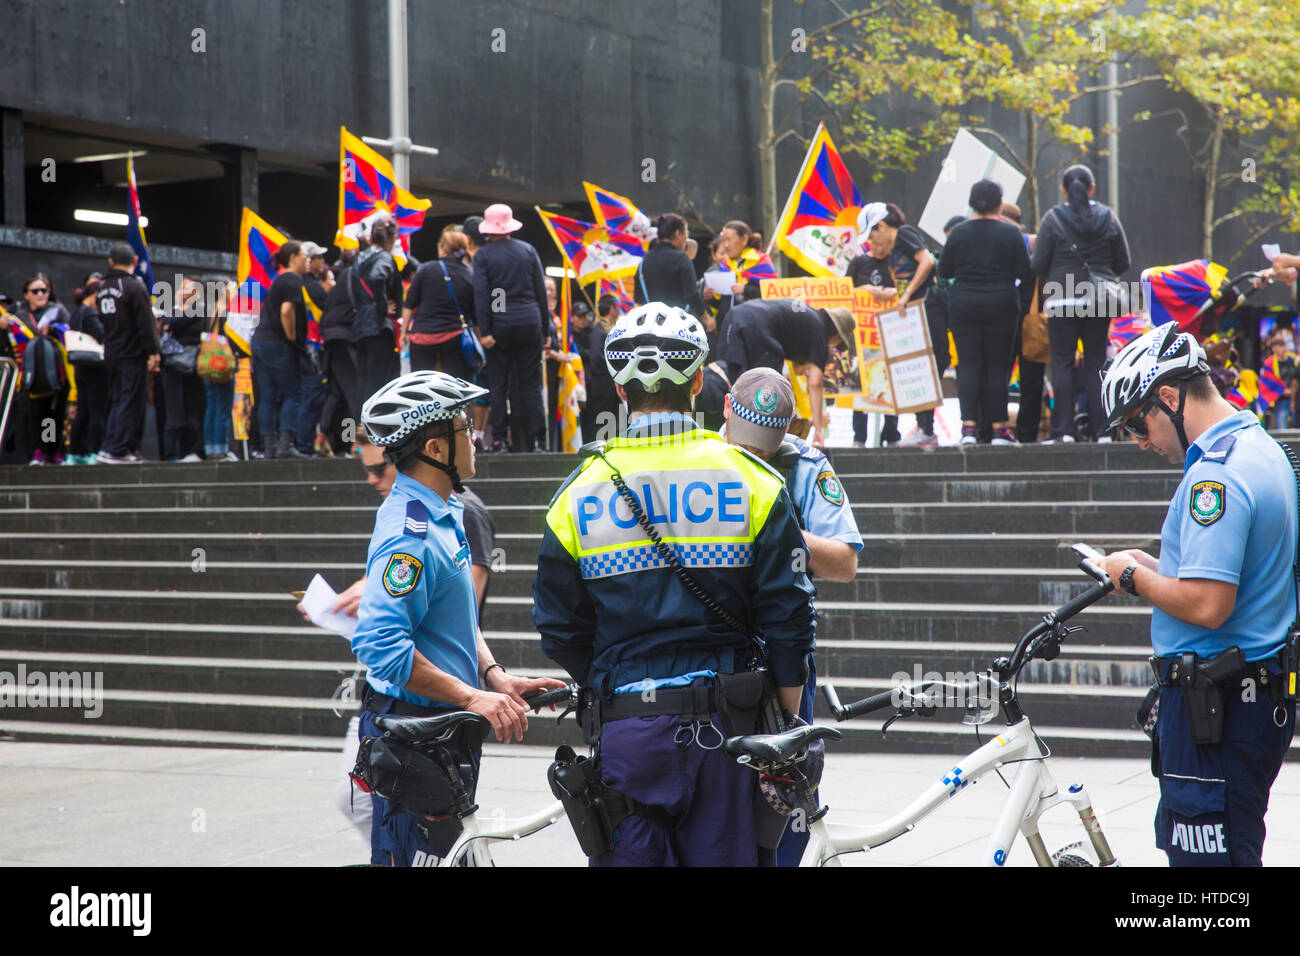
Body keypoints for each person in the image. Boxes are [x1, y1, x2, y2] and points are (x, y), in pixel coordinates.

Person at [532, 302, 817, 867]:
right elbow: (790, 616)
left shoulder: (576, 494)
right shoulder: (752, 478)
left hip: (628, 733)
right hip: (731, 735)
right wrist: (788, 721)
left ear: (619, 388)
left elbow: (560, 627)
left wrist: (612, 681)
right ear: (695, 382)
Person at [1097, 322, 1297, 866]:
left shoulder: (1217, 478)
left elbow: (1210, 605)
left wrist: (1132, 578)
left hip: (1220, 709)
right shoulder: (1259, 448)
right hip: (1251, 698)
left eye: (1139, 424)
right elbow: (1235, 576)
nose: (1141, 441)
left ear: (1170, 396)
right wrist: (1156, 567)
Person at [352, 370, 563, 866]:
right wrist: (472, 696)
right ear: (437, 448)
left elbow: (458, 619)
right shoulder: (410, 532)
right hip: (414, 735)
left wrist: (494, 678)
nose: (475, 435)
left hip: (445, 729)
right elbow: (380, 643)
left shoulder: (445, 512)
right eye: (465, 426)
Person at [720, 367, 861, 865]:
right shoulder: (698, 461)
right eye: (750, 440)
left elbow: (845, 562)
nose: (759, 451)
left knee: (785, 798)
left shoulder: (805, 464)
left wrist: (777, 528)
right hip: (712, 648)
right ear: (724, 411)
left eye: (769, 441)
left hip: (783, 649)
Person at [1033, 164, 1131, 442]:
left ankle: (1064, 431)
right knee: (1096, 361)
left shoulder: (1052, 219)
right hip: (1098, 299)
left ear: (1063, 190)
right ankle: (1103, 431)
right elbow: (1123, 261)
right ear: (1092, 189)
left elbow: (1038, 263)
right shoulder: (1108, 217)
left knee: (1062, 363)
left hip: (1061, 297)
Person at [937, 179, 1036, 445]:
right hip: (1001, 304)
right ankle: (999, 429)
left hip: (963, 304)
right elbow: (1024, 272)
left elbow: (944, 270)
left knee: (968, 366)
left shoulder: (958, 232)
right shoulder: (1010, 233)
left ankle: (969, 429)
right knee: (997, 367)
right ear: (998, 203)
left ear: (972, 202)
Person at [855, 202, 937, 447]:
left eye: (872, 235)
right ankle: (924, 428)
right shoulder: (892, 251)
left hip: (925, 308)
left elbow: (927, 261)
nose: (872, 242)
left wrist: (905, 296)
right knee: (917, 368)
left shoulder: (904, 233)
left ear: (881, 225)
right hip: (911, 314)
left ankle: (926, 429)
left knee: (929, 366)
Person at [722, 298, 855, 448]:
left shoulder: (808, 318)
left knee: (730, 382)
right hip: (760, 329)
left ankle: (726, 437)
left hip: (735, 316)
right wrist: (818, 430)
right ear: (837, 336)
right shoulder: (821, 332)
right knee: (768, 395)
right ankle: (755, 446)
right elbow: (815, 385)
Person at [471, 203, 549, 453]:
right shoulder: (528, 250)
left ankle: (500, 440)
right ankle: (538, 440)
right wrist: (546, 331)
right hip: (530, 322)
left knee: (498, 384)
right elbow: (541, 292)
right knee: (531, 385)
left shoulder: (483, 256)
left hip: (500, 326)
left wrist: (486, 331)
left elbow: (482, 296)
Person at [97, 244, 161, 464]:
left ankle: (112, 446)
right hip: (132, 354)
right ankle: (118, 449)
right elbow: (145, 322)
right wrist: (153, 350)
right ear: (135, 261)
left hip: (112, 352)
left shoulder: (102, 287)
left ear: (110, 261)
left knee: (116, 400)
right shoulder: (134, 286)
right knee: (129, 401)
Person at [251, 241, 309, 460]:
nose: (308, 259)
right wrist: (293, 339)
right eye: (305, 255)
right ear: (293, 257)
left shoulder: (277, 281)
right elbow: (287, 311)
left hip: (260, 341)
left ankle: (269, 447)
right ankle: (286, 445)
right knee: (293, 393)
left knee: (267, 396)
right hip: (278, 344)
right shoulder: (292, 279)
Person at [9, 273, 72, 464]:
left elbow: (69, 333)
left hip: (55, 372)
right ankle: (37, 451)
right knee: (34, 414)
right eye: (35, 291)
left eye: (44, 290)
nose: (40, 294)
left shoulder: (58, 311)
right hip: (30, 373)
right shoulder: (18, 313)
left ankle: (52, 450)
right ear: (26, 294)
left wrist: (53, 330)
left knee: (53, 416)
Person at [401, 227, 478, 381]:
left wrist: (404, 332)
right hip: (454, 337)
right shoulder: (469, 274)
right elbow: (475, 310)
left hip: (422, 337)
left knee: (421, 384)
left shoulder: (426, 269)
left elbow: (409, 303)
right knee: (452, 386)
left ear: (442, 248)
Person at [1002, 203, 1047, 444]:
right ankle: (1010, 431)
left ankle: (1025, 433)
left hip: (1027, 319)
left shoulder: (1033, 244)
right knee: (1012, 377)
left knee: (1030, 379)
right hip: (1013, 316)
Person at [354, 218, 404, 410]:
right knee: (380, 382)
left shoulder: (360, 256)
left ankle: (363, 430)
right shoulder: (383, 257)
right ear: (392, 239)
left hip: (361, 324)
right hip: (378, 325)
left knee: (365, 381)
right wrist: (382, 307)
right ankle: (373, 432)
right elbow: (377, 277)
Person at [159, 276, 207, 462]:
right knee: (175, 410)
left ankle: (194, 450)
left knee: (193, 408)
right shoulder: (178, 309)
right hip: (174, 366)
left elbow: (173, 324)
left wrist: (177, 312)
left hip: (192, 364)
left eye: (186, 287)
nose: (182, 290)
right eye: (182, 287)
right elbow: (165, 324)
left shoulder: (200, 308)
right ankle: (173, 452)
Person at [65, 276, 108, 464]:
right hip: (95, 367)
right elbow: (101, 335)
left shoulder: (76, 312)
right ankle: (95, 451)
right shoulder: (90, 313)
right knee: (97, 410)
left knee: (83, 411)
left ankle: (74, 452)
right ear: (94, 295)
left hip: (80, 367)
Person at [633, 213, 703, 316]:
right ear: (678, 233)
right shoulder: (681, 259)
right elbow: (692, 295)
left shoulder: (644, 261)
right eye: (686, 235)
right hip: (676, 325)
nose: (685, 240)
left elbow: (639, 299)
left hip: (652, 326)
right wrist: (706, 317)